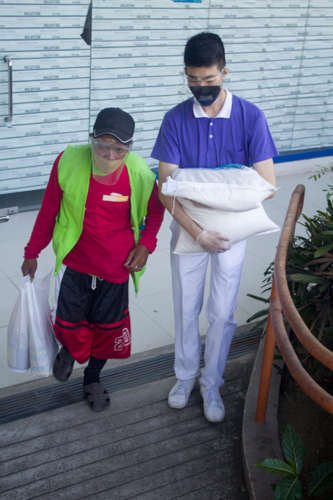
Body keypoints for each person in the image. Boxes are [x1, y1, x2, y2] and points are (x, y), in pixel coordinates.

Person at [151, 32, 278, 423]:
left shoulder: (250, 117)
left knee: (222, 313)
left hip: (232, 233)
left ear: (225, 71)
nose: (201, 88)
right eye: (193, 80)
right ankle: (185, 377)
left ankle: (211, 383)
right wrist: (196, 229)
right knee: (186, 308)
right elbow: (165, 189)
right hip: (189, 232)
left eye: (208, 80)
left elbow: (267, 186)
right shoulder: (175, 119)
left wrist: (210, 195)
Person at [22, 107, 165, 412]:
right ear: (91, 139)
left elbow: (156, 211)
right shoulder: (68, 162)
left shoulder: (138, 172)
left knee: (107, 328)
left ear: (129, 147)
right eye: (102, 145)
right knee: (69, 323)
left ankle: (93, 377)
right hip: (77, 262)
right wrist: (31, 252)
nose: (110, 155)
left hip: (116, 267)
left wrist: (146, 246)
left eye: (119, 149)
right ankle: (71, 350)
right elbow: (48, 211)